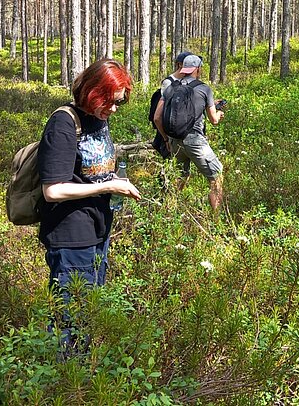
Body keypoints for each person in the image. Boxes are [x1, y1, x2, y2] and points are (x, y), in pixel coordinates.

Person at [37, 58, 141, 352]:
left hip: (98, 230)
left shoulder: (100, 118)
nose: (114, 109)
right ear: (94, 93)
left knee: (89, 307)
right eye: (110, 102)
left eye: (119, 103)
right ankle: (64, 373)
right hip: (71, 236)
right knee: (70, 312)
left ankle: (82, 368)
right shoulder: (63, 124)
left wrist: (113, 178)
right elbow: (52, 190)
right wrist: (108, 185)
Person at [154, 54, 225, 211]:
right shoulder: (204, 89)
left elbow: (157, 117)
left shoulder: (170, 88)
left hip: (174, 141)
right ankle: (217, 220)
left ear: (183, 68)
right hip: (195, 141)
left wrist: (166, 139)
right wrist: (219, 114)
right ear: (198, 69)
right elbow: (213, 120)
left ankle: (169, 211)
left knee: (180, 175)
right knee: (216, 176)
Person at [150, 51, 193, 158]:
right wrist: (165, 138)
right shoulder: (168, 83)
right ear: (180, 64)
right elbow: (160, 114)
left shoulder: (188, 81)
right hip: (170, 129)